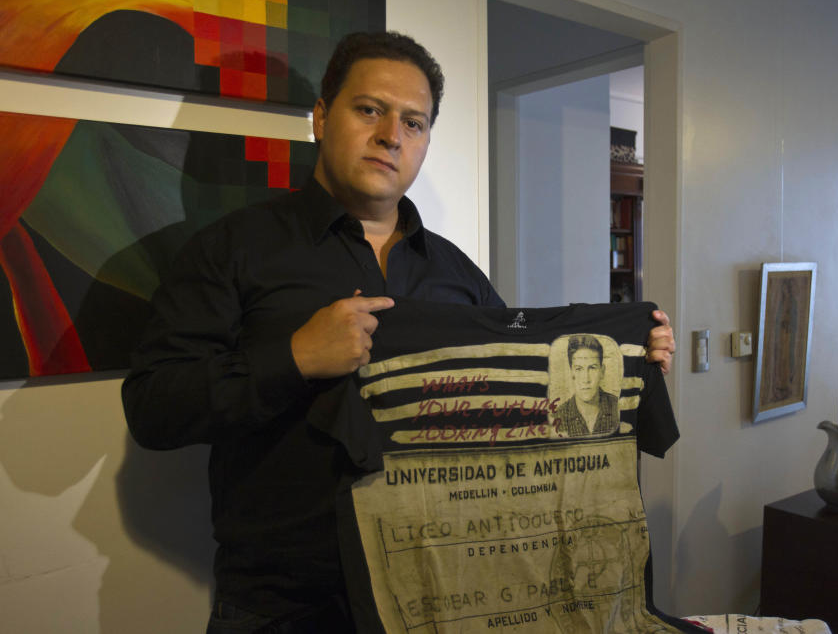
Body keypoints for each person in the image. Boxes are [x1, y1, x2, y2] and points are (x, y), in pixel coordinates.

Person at [121, 31, 676, 633]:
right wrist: (295, 358)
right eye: (369, 110)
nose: (392, 135)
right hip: (287, 607)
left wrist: (626, 359)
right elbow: (153, 409)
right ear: (321, 117)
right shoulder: (232, 250)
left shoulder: (456, 272)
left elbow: (516, 398)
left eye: (414, 123)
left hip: (443, 592)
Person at [553, 334, 620, 437]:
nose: (586, 379)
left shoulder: (619, 408)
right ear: (571, 372)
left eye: (592, 368)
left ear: (602, 371)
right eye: (579, 369)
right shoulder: (557, 418)